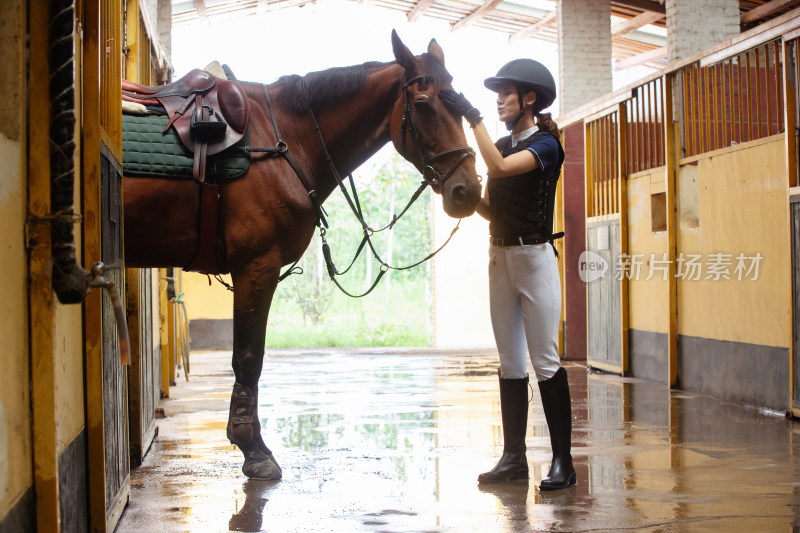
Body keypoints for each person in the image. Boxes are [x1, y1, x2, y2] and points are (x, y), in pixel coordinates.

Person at [440, 59, 575, 491]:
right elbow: (494, 209)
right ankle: (513, 458)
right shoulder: (500, 143)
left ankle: (562, 463)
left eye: (506, 93)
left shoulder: (546, 146)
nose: (498, 100)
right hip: (499, 259)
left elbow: (497, 167)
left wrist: (472, 117)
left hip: (535, 259)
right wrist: (459, 195)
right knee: (510, 364)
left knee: (546, 362)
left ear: (529, 99)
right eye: (495, 95)